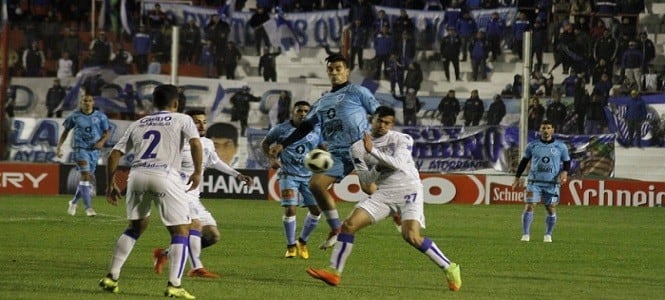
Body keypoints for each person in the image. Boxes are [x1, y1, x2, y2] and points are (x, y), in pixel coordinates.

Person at [305, 106, 462, 291]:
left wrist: (373, 151)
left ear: (392, 124)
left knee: (411, 236)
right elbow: (365, 181)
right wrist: (377, 168)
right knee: (349, 225)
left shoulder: (401, 139)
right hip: (384, 192)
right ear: (372, 119)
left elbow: (398, 164)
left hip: (409, 189)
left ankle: (450, 268)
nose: (382, 125)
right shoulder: (357, 148)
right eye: (379, 120)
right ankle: (334, 272)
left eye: (387, 123)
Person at [100, 84, 202, 299]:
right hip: (165, 175)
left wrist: (110, 183)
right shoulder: (183, 119)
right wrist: (198, 172)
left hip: (136, 176)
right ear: (176, 103)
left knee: (136, 227)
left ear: (154, 103)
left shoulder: (139, 123)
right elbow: (195, 143)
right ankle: (175, 284)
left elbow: (114, 154)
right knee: (181, 231)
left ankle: (112, 276)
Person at [269, 53, 380, 250]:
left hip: (361, 147)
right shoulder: (322, 101)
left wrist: (382, 140)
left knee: (370, 189)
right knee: (316, 185)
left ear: (347, 71)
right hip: (337, 152)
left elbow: (379, 114)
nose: (335, 72)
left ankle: (397, 211)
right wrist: (283, 144)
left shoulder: (358, 91)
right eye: (331, 69)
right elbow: (305, 127)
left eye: (339, 68)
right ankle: (337, 229)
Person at [153, 109, 253, 278]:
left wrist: (237, 175)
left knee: (212, 235)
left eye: (204, 122)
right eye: (196, 122)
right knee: (196, 225)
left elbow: (215, 162)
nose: (201, 125)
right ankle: (196, 267)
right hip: (177, 193)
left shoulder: (206, 143)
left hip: (193, 196)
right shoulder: (176, 143)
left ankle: (164, 254)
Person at [261, 101, 323, 259]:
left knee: (316, 210)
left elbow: (323, 149)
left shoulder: (316, 130)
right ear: (293, 112)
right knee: (290, 209)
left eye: (306, 111)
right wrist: (271, 159)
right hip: (288, 174)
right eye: (299, 110)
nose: (303, 114)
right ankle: (290, 246)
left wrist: (324, 162)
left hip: (309, 176)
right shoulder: (281, 129)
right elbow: (265, 143)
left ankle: (302, 241)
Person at [512, 119, 571, 243]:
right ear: (540, 130)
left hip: (552, 184)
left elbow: (566, 162)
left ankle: (548, 234)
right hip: (534, 182)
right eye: (543, 128)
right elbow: (524, 162)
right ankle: (526, 234)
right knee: (529, 206)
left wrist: (564, 173)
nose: (546, 130)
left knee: (550, 208)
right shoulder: (532, 145)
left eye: (548, 128)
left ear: (553, 130)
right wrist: (517, 178)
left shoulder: (561, 146)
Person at [57, 95, 110, 217]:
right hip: (80, 149)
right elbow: (65, 132)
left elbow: (107, 132)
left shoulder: (100, 116)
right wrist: (59, 147)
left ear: (93, 102)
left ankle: (74, 202)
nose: (87, 103)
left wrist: (101, 142)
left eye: (90, 101)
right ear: (81, 103)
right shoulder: (74, 116)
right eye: (85, 101)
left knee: (86, 178)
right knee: (85, 175)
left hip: (94, 151)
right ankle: (88, 208)